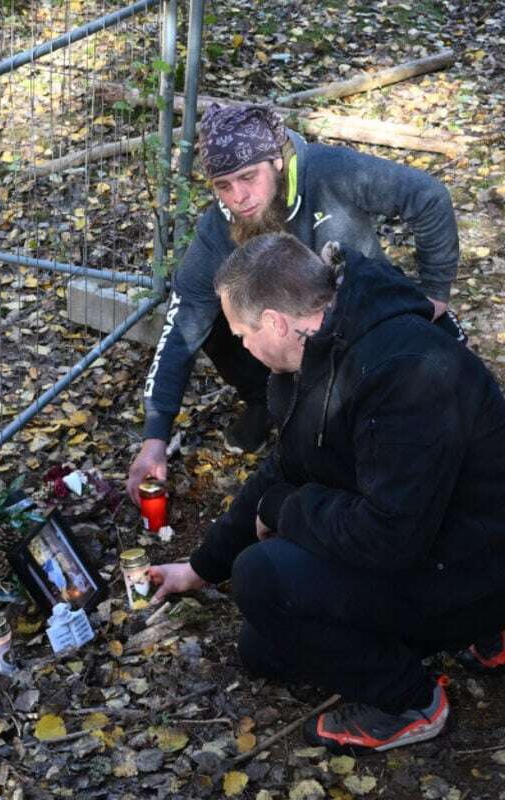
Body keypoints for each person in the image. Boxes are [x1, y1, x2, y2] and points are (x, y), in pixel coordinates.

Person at [149, 233, 505, 754]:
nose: (242, 347)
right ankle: (448, 637)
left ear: (274, 321)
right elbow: (284, 467)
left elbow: (390, 537)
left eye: (243, 333)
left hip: (472, 562)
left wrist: (288, 511)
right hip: (434, 541)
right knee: (264, 646)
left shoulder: (402, 371)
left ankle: (411, 701)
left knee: (263, 576)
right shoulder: (317, 347)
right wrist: (200, 568)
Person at [127, 104, 462, 504]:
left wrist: (435, 290)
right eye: (224, 185)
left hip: (366, 320)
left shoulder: (330, 171)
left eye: (249, 178)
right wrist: (155, 435)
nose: (239, 197)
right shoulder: (218, 227)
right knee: (216, 318)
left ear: (277, 161)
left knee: (437, 395)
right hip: (293, 344)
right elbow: (181, 326)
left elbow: (428, 196)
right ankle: (262, 401)